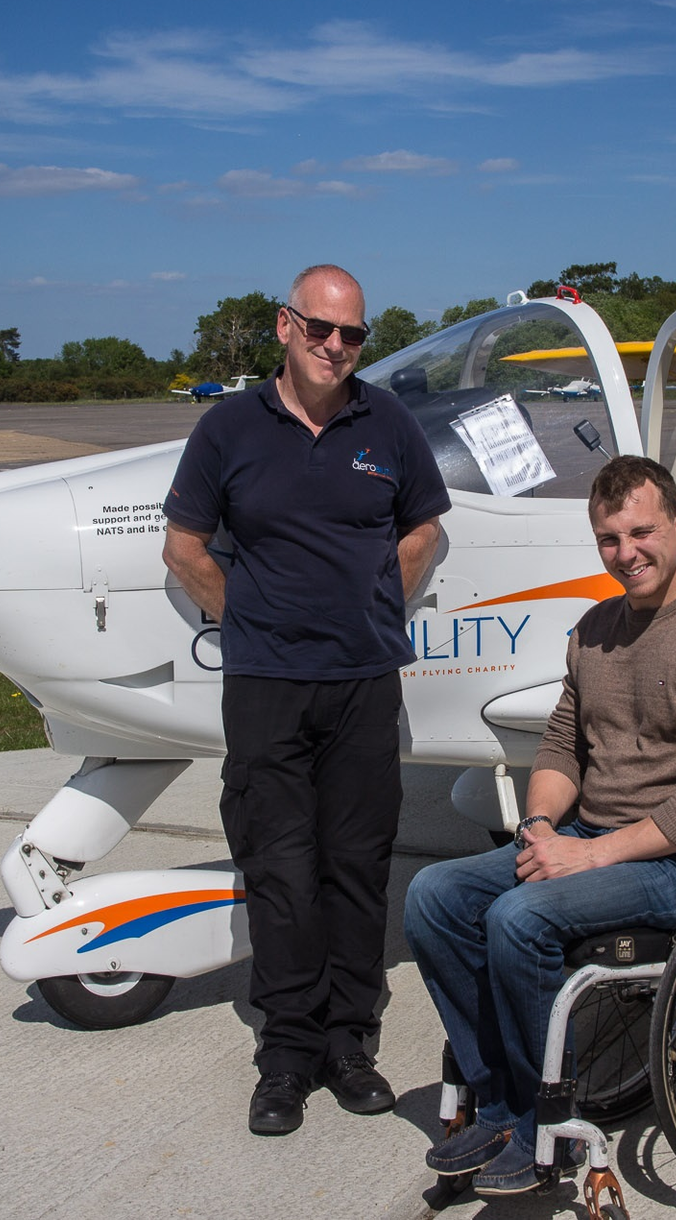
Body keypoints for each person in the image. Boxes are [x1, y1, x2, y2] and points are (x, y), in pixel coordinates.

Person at [403, 454, 676, 1195]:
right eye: (609, 539)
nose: (626, 553)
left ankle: (551, 1122)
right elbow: (560, 746)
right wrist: (542, 823)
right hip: (592, 840)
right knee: (434, 896)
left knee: (518, 917)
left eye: (641, 532)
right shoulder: (595, 630)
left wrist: (593, 856)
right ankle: (505, 1102)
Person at [162, 264, 451, 1136]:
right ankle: (285, 1055)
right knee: (280, 871)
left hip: (363, 684)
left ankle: (350, 1043)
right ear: (285, 327)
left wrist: (374, 605)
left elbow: (426, 527)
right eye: (321, 329)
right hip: (265, 689)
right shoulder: (227, 429)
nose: (336, 346)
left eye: (352, 334)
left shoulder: (386, 422)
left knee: (356, 870)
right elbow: (183, 547)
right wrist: (249, 618)